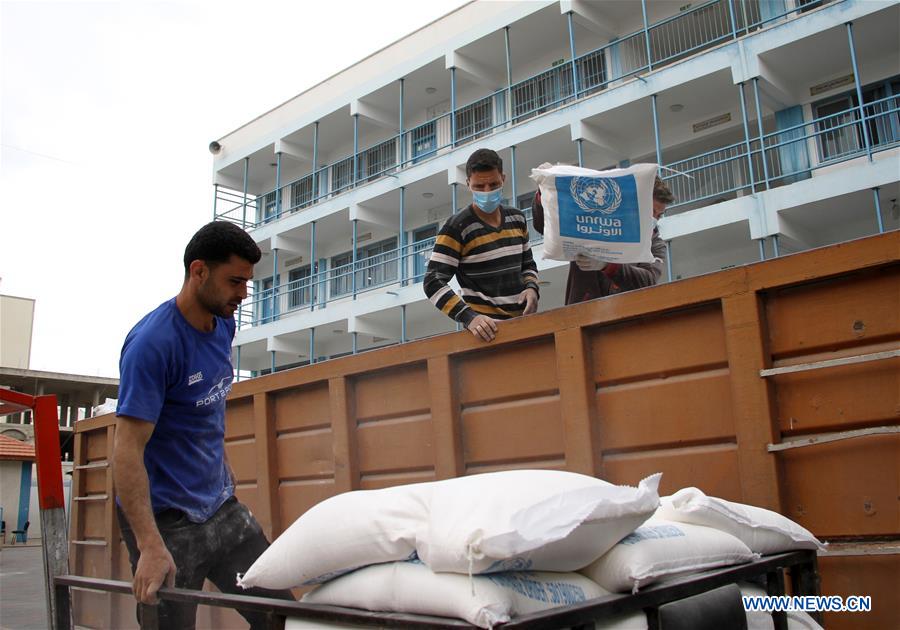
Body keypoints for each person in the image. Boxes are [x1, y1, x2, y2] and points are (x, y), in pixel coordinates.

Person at [112, 221, 292, 629]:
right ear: (199, 271)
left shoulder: (222, 324)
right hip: (165, 522)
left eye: (247, 282)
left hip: (221, 508)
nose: (244, 294)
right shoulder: (152, 345)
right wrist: (149, 545)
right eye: (234, 281)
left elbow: (204, 413)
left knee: (283, 617)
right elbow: (126, 450)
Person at [424, 148, 540, 342]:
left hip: (524, 327)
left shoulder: (517, 218)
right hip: (486, 336)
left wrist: (532, 288)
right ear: (468, 183)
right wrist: (469, 317)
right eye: (479, 186)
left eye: (493, 184)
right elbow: (432, 281)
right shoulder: (457, 227)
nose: (487, 191)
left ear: (503, 179)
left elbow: (528, 265)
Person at [532, 175, 674, 304]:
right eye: (651, 210)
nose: (654, 219)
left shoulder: (655, 245)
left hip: (628, 318)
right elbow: (544, 226)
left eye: (659, 215)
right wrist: (543, 192)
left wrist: (608, 265)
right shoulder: (596, 220)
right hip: (584, 314)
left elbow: (648, 281)